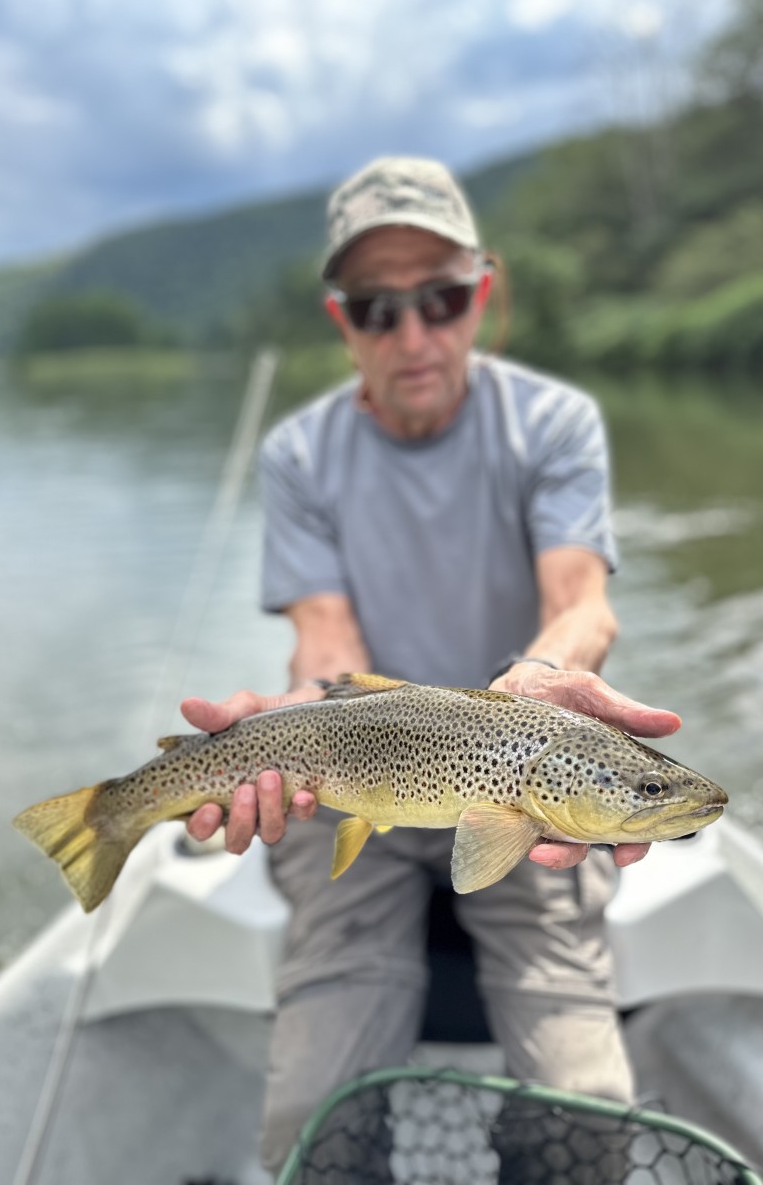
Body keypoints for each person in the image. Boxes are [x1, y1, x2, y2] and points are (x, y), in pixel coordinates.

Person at [182, 155, 682, 1176]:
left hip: (526, 785)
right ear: (343, 322)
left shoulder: (554, 425)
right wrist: (298, 720)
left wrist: (533, 698)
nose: (413, 335)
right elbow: (326, 644)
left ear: (481, 295)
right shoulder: (300, 456)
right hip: (359, 772)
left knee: (589, 1112)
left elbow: (580, 600)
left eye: (441, 298)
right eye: (377, 309)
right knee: (310, 1114)